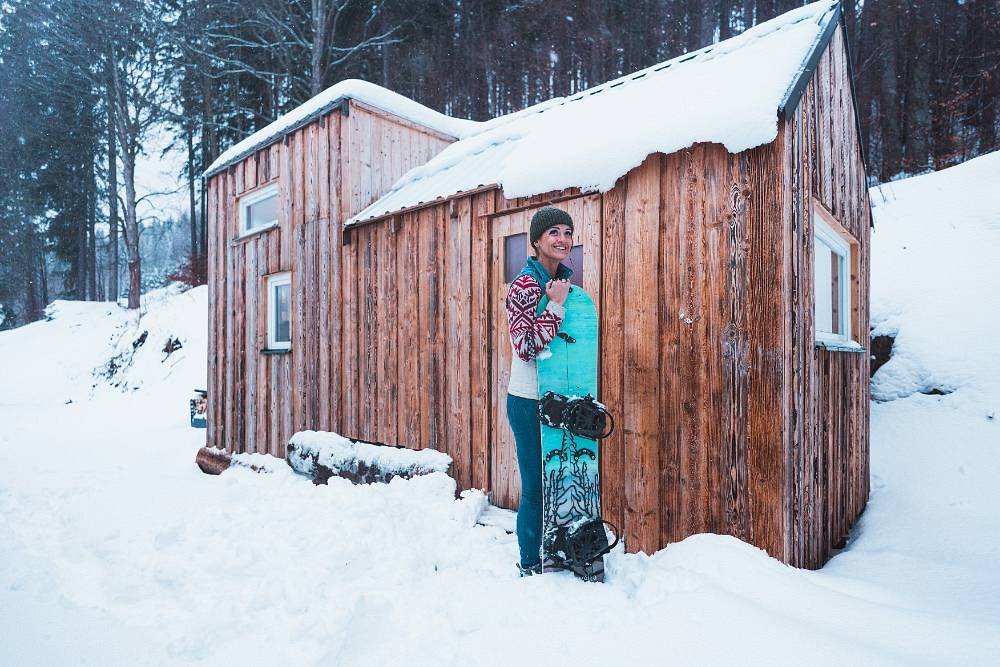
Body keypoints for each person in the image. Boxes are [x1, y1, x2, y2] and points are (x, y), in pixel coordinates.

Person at [504, 207, 574, 576]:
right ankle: (530, 563)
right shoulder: (525, 285)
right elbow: (526, 346)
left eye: (567, 232)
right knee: (535, 486)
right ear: (536, 241)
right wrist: (557, 307)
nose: (563, 239)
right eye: (554, 233)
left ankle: (555, 549)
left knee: (558, 480)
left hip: (556, 400)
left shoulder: (561, 283)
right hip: (528, 400)